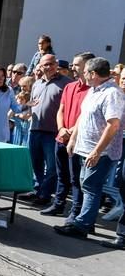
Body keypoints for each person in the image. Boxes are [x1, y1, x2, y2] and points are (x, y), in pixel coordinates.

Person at [54, 58, 125, 239]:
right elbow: (82, 117)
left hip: (101, 152)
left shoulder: (112, 93)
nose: (82, 74)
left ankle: (83, 225)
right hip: (84, 148)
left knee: (91, 186)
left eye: (85, 71)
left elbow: (113, 125)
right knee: (86, 185)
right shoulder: (93, 91)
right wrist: (73, 141)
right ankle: (86, 221)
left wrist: (97, 151)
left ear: (93, 74)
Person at [40, 52, 95, 217]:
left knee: (75, 178)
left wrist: (70, 132)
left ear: (87, 66)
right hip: (62, 138)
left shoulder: (93, 90)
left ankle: (75, 211)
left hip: (78, 141)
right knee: (61, 174)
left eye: (77, 64)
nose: (73, 67)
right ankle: (58, 204)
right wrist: (62, 129)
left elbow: (84, 115)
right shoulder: (70, 86)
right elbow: (61, 110)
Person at [19, 54, 71, 206]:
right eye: (45, 64)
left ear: (56, 65)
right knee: (36, 163)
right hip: (35, 129)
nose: (48, 67)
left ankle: (45, 194)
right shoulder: (37, 83)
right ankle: (37, 190)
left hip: (53, 132)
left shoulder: (66, 83)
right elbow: (34, 104)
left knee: (52, 166)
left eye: (51, 64)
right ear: (40, 66)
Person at [102, 67, 125, 249]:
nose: (124, 80)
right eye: (123, 77)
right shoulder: (117, 97)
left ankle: (122, 237)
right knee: (121, 184)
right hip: (119, 149)